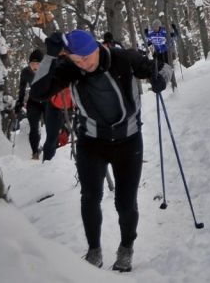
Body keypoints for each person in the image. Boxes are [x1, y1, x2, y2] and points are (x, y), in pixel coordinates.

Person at [30, 28, 170, 271]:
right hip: (92, 142)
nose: (84, 63)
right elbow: (39, 92)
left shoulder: (122, 58)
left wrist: (161, 78)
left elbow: (162, 67)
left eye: (87, 56)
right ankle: (94, 250)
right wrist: (51, 57)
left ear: (97, 47)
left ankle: (126, 248)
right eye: (77, 59)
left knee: (125, 203)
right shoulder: (71, 69)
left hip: (128, 140)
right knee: (90, 197)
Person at [17, 49, 45, 159]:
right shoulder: (25, 72)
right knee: (33, 128)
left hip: (48, 102)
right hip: (33, 102)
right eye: (32, 63)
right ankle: (35, 153)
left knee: (52, 128)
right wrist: (19, 102)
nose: (35, 66)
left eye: (37, 63)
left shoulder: (49, 71)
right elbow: (22, 88)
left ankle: (50, 149)